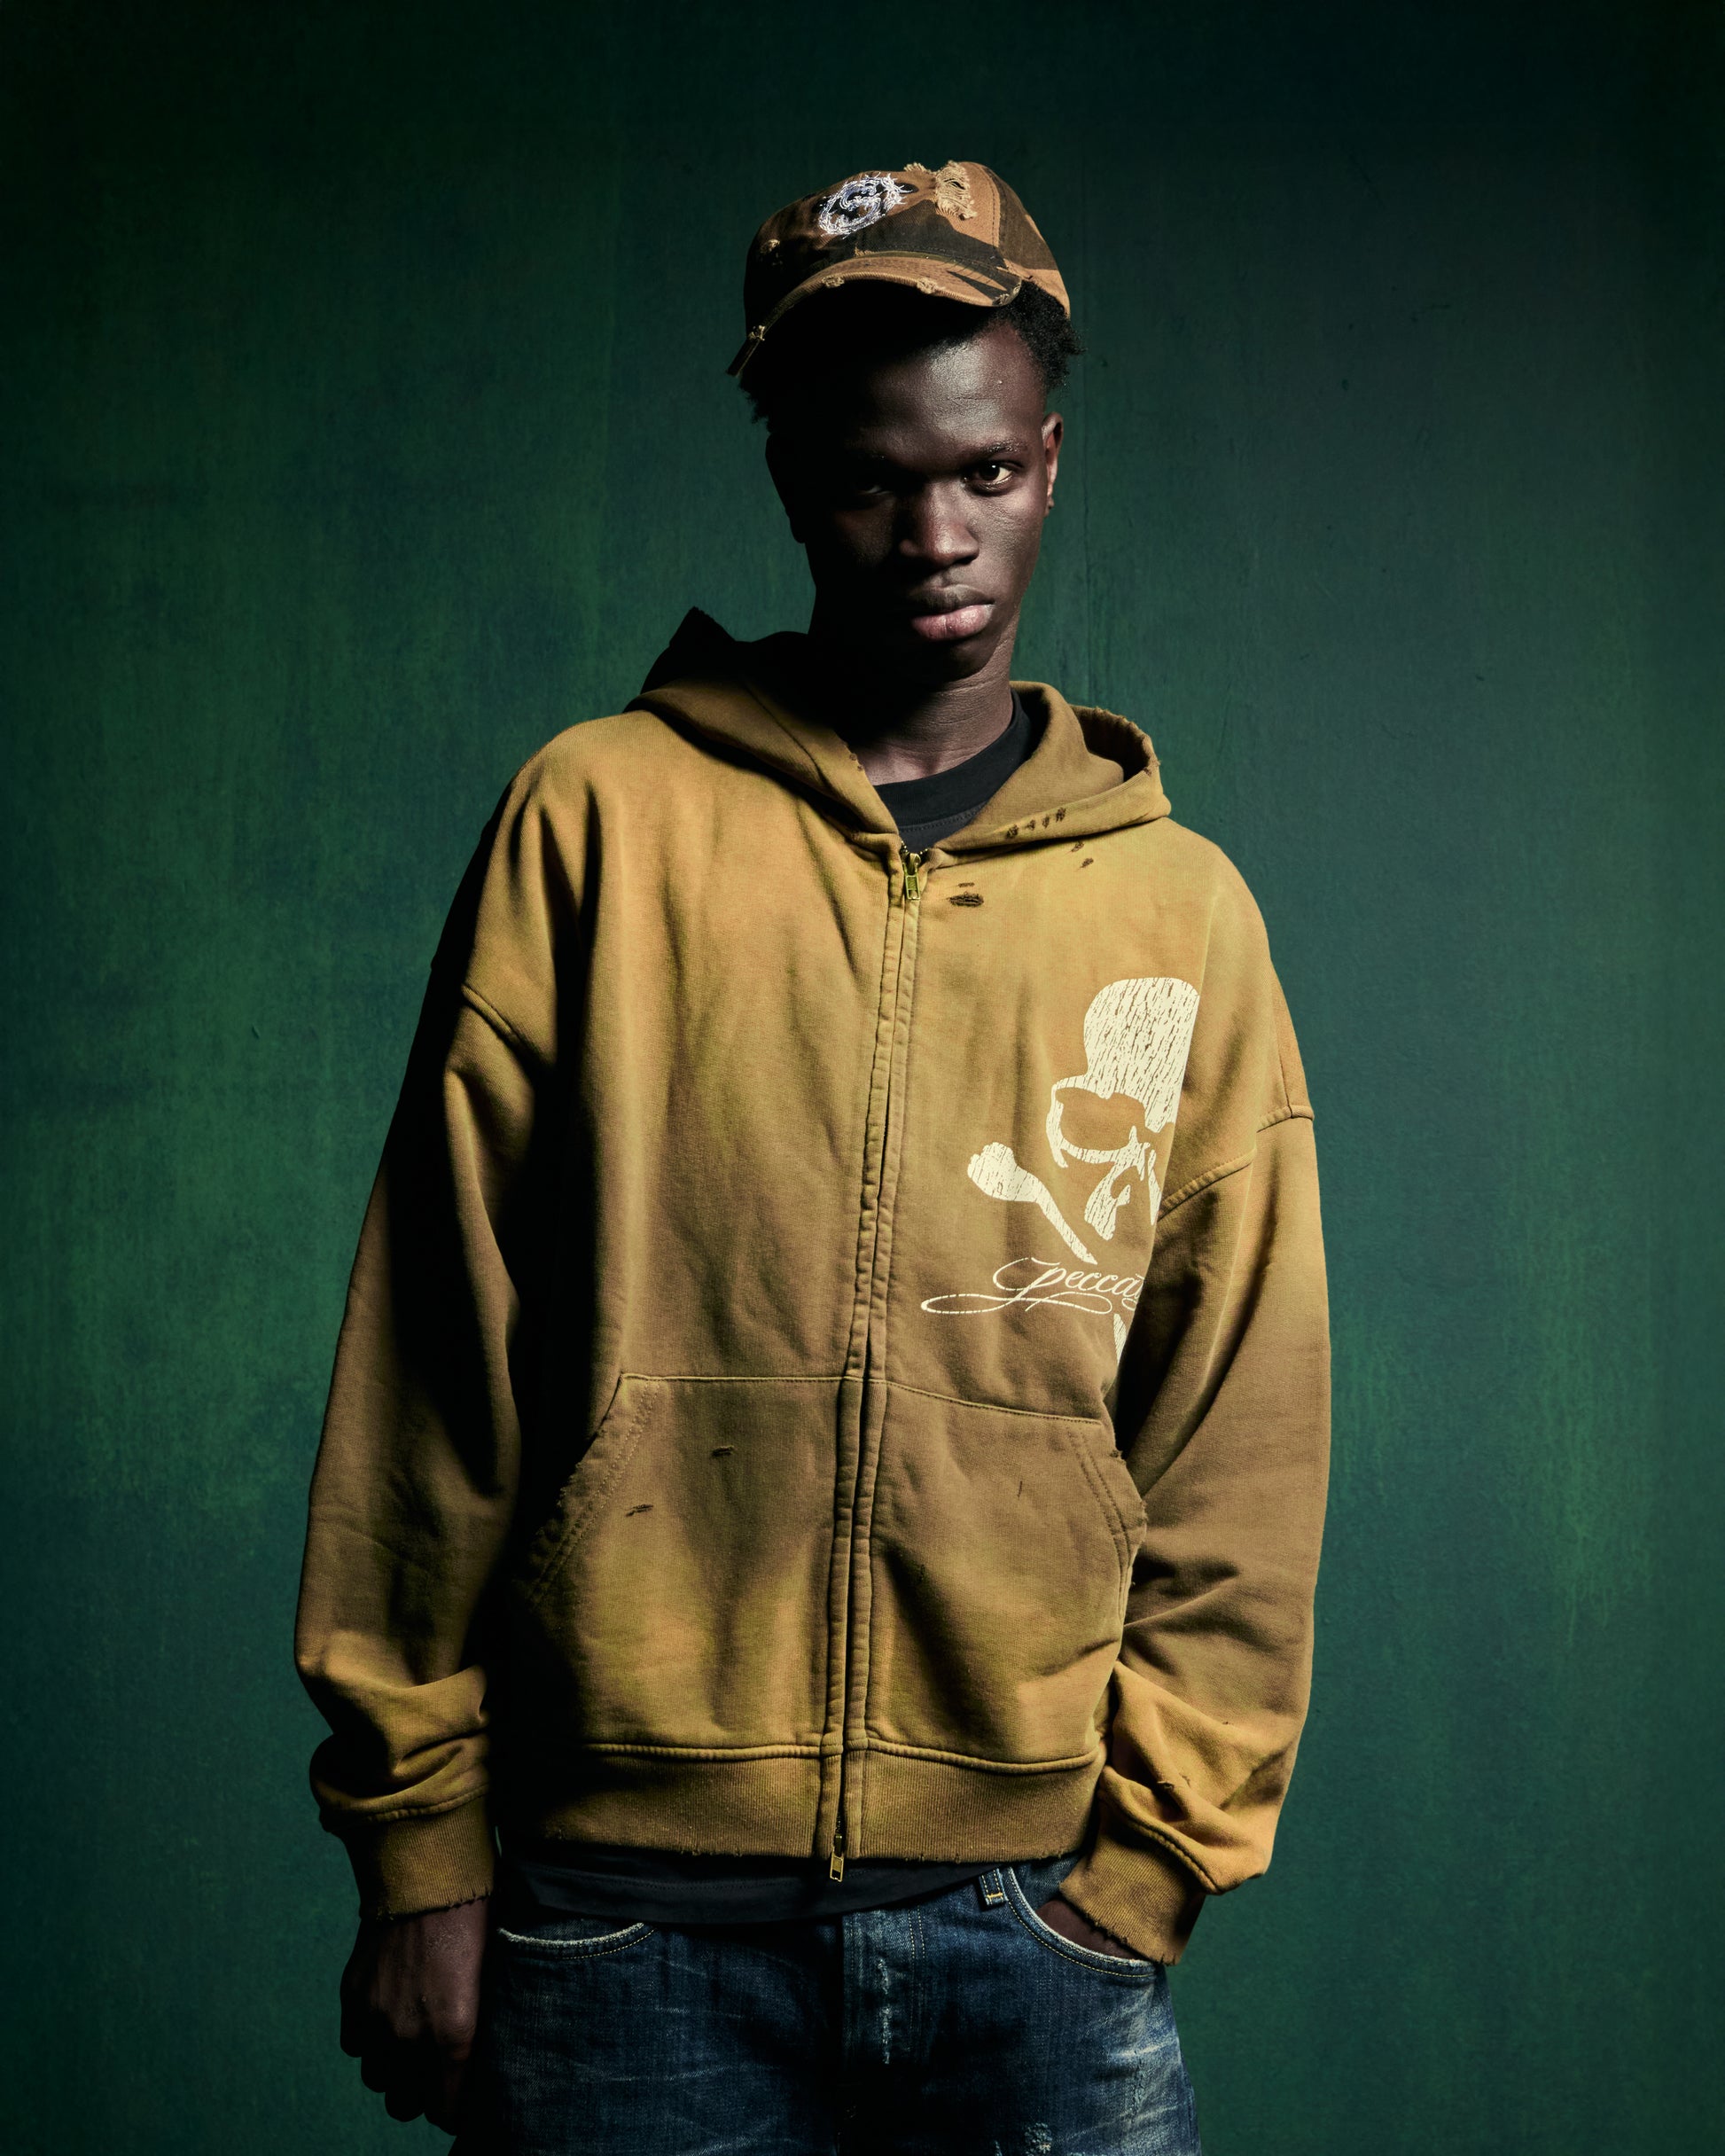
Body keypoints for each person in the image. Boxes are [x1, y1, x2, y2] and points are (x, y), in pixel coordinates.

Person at [295, 160, 1331, 2154]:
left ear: (1048, 462)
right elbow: (432, 1358)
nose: (935, 537)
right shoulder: (596, 825)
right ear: (786, 476)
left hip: (1036, 1921)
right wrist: (417, 1847)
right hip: (618, 1922)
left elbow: (1241, 1415)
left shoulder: (1178, 912)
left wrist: (1149, 1866)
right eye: (870, 480)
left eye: (986, 472)